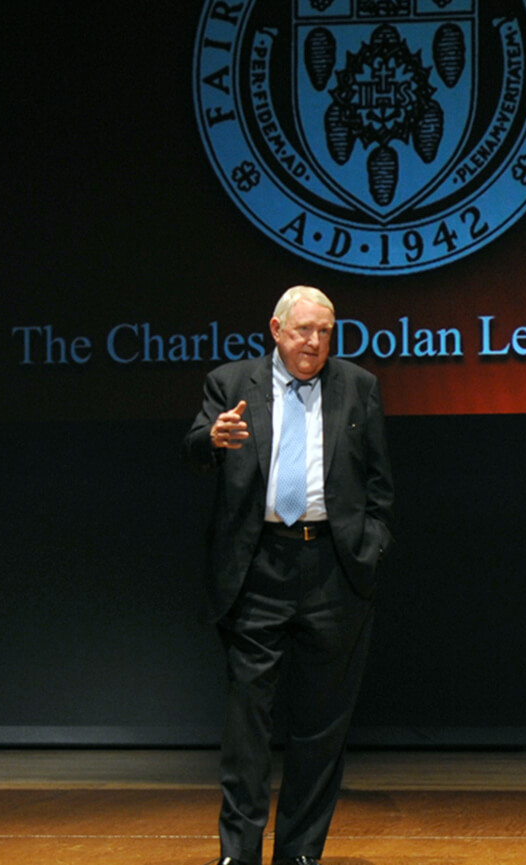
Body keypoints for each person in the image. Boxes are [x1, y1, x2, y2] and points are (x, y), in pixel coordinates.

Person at [184, 285, 394, 865]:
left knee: (320, 728)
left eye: (325, 331)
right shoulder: (231, 383)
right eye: (304, 329)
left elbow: (379, 484)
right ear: (275, 330)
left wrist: (370, 548)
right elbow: (197, 446)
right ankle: (238, 854)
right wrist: (212, 439)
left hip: (333, 569)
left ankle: (300, 853)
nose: (315, 341)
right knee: (248, 720)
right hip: (258, 566)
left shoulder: (358, 386)